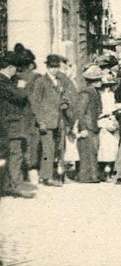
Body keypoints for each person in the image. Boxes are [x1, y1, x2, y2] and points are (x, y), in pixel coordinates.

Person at [29, 54, 74, 186]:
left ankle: (58, 174)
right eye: (52, 67)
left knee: (58, 149)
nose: (54, 69)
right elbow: (35, 103)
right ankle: (46, 177)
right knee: (48, 149)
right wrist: (40, 121)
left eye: (56, 67)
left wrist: (65, 102)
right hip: (46, 121)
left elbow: (65, 94)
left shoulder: (59, 81)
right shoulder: (41, 82)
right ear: (47, 67)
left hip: (59, 119)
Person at [0, 51, 36, 198]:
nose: (17, 71)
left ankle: (8, 185)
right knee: (15, 155)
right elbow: (19, 97)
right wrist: (22, 86)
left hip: (9, 123)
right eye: (16, 67)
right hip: (9, 124)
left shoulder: (6, 81)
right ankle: (14, 186)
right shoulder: (3, 81)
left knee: (11, 155)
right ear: (9, 67)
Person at [75, 65, 105, 183]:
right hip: (88, 125)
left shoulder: (94, 92)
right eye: (98, 80)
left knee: (93, 151)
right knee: (88, 151)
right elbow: (80, 112)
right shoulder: (86, 94)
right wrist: (82, 127)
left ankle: (92, 175)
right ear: (92, 81)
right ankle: (87, 176)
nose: (100, 82)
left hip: (93, 124)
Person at [97, 71, 121, 180]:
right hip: (103, 120)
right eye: (105, 86)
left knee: (113, 147)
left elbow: (116, 107)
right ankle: (104, 171)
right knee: (104, 148)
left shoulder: (113, 95)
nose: (107, 88)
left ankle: (111, 169)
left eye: (109, 86)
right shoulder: (99, 95)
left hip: (113, 119)